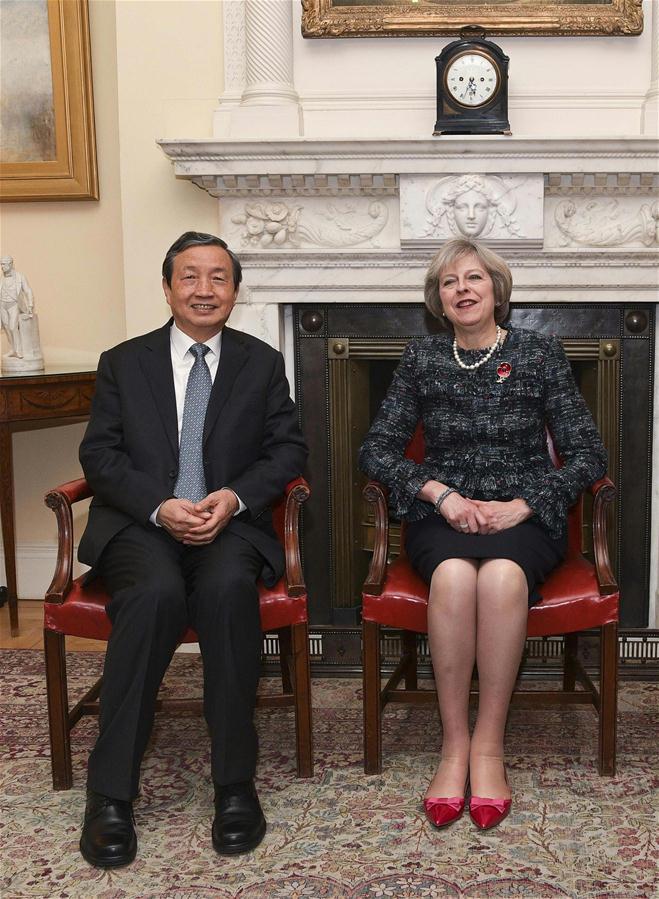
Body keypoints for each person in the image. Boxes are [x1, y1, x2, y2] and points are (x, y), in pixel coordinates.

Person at [77, 232, 308, 867]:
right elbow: (99, 455)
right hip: (141, 525)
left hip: (226, 525)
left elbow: (288, 451)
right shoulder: (124, 362)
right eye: (190, 276)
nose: (204, 290)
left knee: (229, 590)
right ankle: (110, 794)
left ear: (235, 291)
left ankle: (234, 785)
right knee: (153, 594)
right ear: (167, 287)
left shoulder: (261, 363)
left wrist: (232, 498)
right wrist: (160, 505)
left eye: (218, 278)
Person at [359, 238, 606, 832]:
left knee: (499, 579)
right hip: (442, 517)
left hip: (524, 518)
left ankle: (488, 747)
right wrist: (439, 494)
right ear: (438, 299)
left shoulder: (540, 354)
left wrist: (525, 505)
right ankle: (453, 747)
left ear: (497, 289)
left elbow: (588, 455)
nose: (462, 289)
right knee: (451, 576)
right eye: (449, 282)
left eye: (473, 278)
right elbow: (376, 450)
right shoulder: (421, 358)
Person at [1, 255, 34, 359]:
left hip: (13, 304)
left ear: (10, 264)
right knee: (6, 327)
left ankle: (19, 350)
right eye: (1, 264)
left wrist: (30, 304)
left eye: (4, 264)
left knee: (13, 327)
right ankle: (12, 350)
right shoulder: (2, 278)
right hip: (2, 305)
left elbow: (27, 290)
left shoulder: (20, 277)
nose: (2, 267)